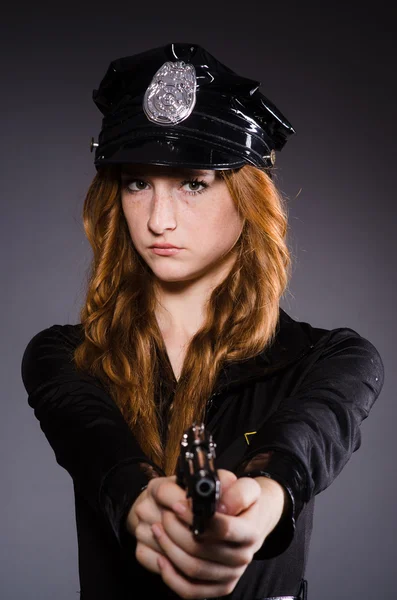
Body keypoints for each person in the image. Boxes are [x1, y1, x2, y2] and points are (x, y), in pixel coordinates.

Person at [20, 42, 384, 600]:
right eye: (137, 183)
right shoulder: (65, 358)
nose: (158, 220)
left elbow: (309, 438)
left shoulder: (335, 360)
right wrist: (141, 506)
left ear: (246, 197)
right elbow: (97, 445)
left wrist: (265, 499)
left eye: (193, 183)